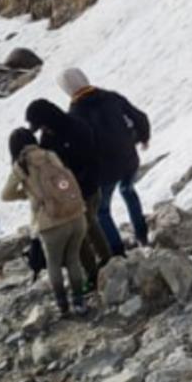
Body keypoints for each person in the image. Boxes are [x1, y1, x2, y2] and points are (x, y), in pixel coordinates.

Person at [60, 68, 153, 254]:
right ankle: (142, 236)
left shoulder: (74, 115)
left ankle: (117, 251)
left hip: (104, 171)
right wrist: (143, 137)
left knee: (101, 211)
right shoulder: (111, 97)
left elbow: (77, 151)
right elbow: (139, 117)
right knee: (128, 190)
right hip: (128, 159)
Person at [2, 127, 93, 313]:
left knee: (54, 264)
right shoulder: (50, 155)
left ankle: (62, 305)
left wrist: (27, 194)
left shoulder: (21, 166)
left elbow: (5, 194)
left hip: (51, 222)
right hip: (76, 215)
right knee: (73, 260)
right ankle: (79, 302)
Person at [26, 99, 114, 273]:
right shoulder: (49, 136)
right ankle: (101, 265)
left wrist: (78, 186)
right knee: (85, 228)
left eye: (42, 126)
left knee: (81, 232)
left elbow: (91, 161)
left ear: (49, 119)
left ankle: (101, 267)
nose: (42, 130)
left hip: (87, 189)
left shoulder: (77, 128)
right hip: (68, 193)